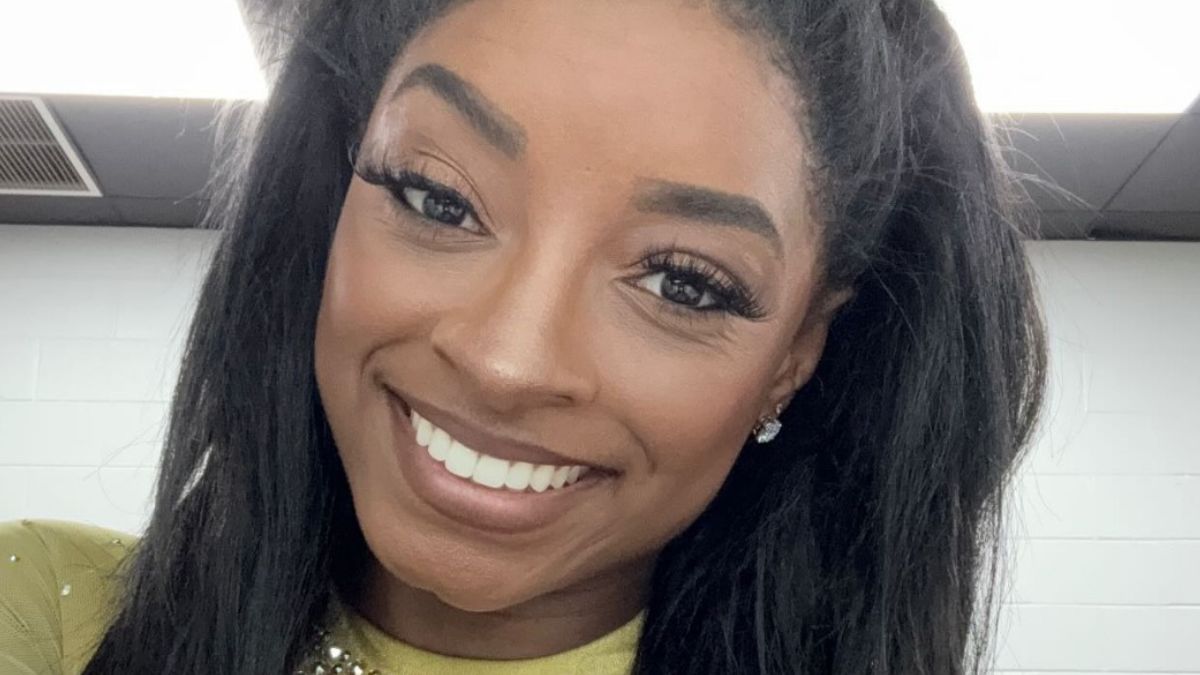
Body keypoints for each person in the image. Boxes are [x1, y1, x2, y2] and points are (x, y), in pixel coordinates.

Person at [0, 0, 1047, 673]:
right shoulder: (42, 616)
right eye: (438, 198)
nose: (508, 362)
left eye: (683, 282)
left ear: (796, 357)